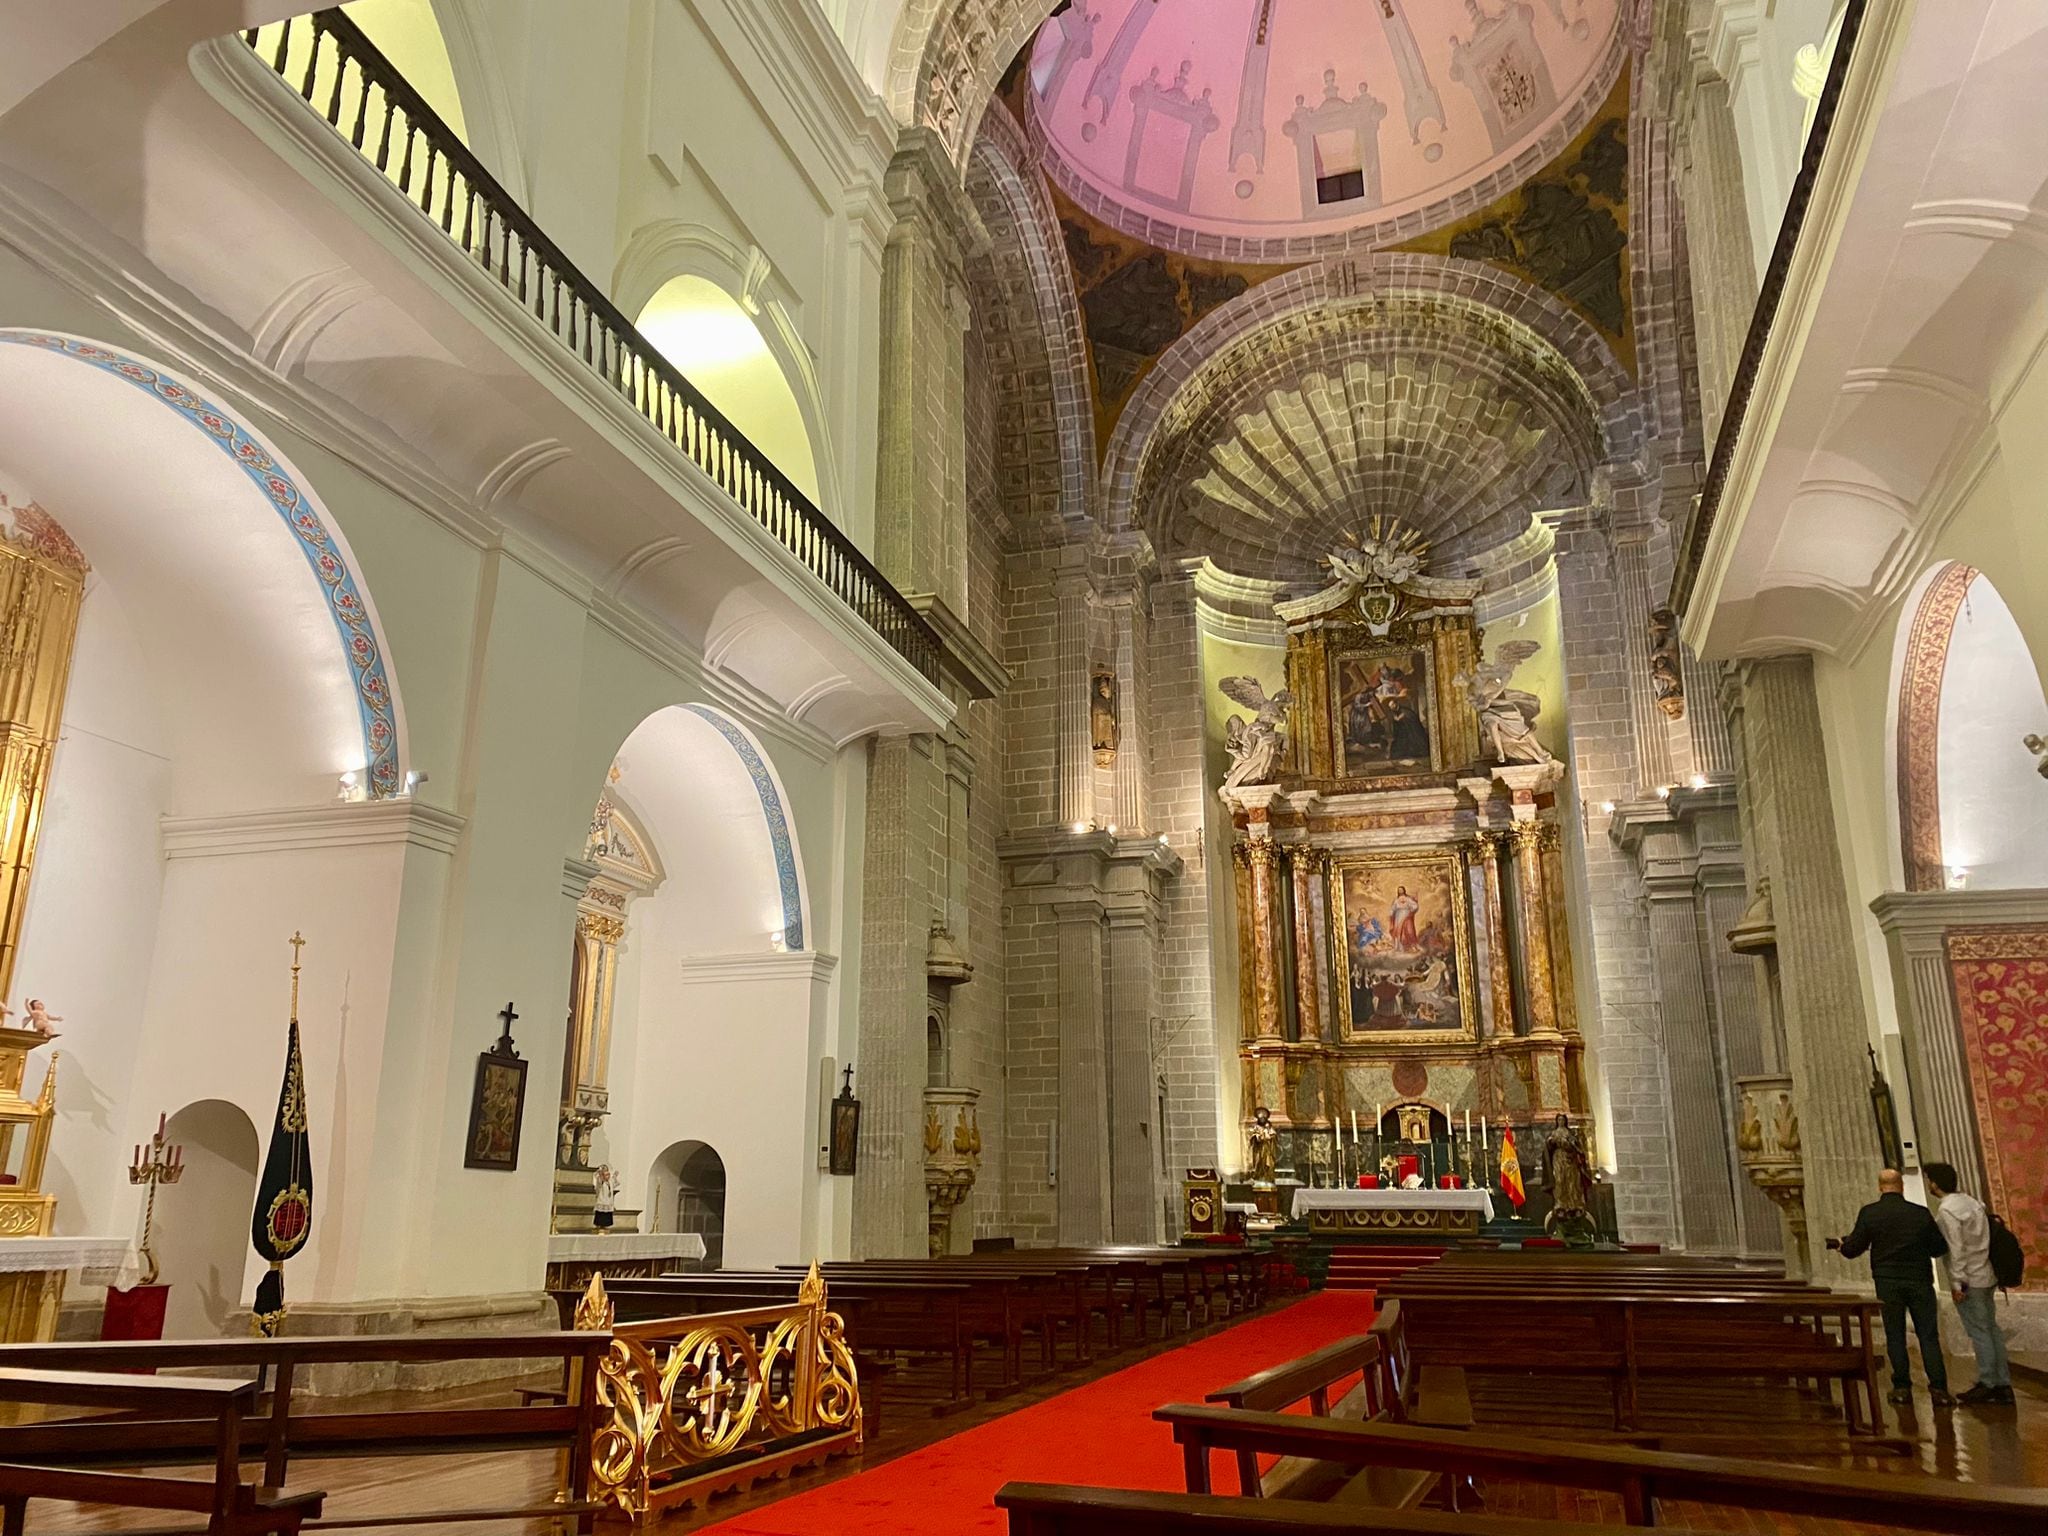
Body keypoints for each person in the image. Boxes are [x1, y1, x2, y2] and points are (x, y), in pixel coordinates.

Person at [1831, 1169, 1952, 1406]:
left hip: (1888, 1281)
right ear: (1902, 1186)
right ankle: (1939, 1389)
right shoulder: (1919, 1213)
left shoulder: (1871, 1213)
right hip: (1919, 1280)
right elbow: (1938, 1247)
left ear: (1880, 1187)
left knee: (1894, 1334)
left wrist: (1840, 1246)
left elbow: (1854, 1247)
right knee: (1928, 1336)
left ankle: (1901, 1388)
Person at [1922, 1161, 2013, 1406]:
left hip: (1969, 1278)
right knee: (1991, 1330)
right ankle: (2002, 1383)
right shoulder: (1972, 1203)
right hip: (1986, 1273)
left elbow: (1956, 1249)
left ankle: (1988, 1383)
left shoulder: (1948, 1211)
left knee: (1979, 1332)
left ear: (1935, 1183)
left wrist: (1957, 1283)